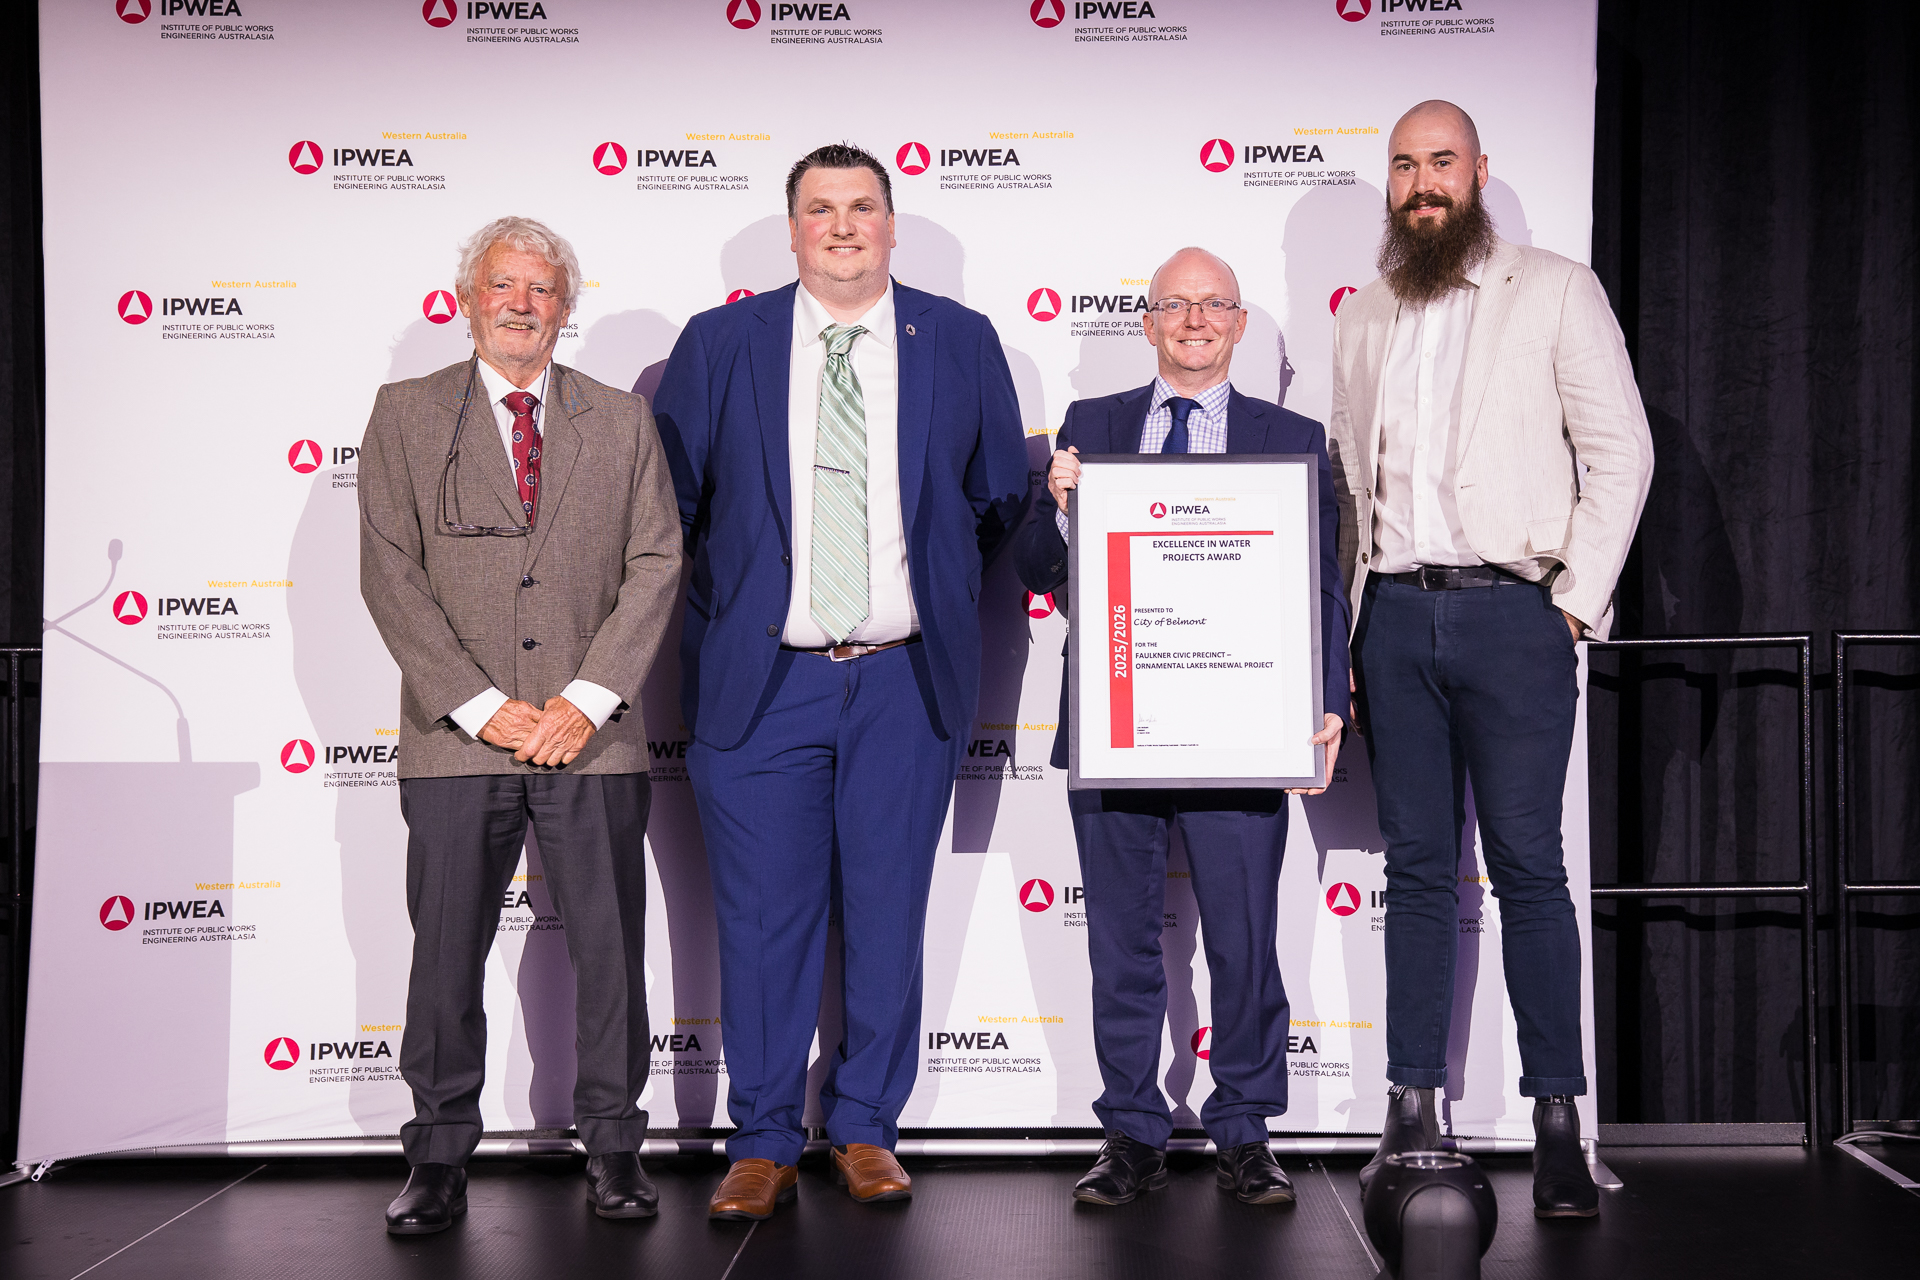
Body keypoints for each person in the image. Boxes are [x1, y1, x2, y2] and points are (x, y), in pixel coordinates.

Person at [652, 144, 1028, 1221]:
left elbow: (998, 500)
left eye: (864, 205)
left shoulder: (957, 339)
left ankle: (866, 1124)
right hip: (763, 681)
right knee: (764, 919)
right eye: (822, 209)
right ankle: (762, 1137)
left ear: (893, 223)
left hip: (905, 683)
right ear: (793, 229)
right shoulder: (722, 341)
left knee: (886, 907)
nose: (844, 225)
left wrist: (923, 592)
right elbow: (668, 508)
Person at [1328, 101, 1654, 1218]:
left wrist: (1569, 608)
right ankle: (1412, 1109)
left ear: (1478, 173)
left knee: (1527, 867)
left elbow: (1622, 451)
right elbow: (1346, 485)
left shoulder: (1556, 287)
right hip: (1397, 620)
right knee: (1417, 870)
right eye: (1405, 164)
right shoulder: (1366, 312)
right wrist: (1348, 630)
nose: (1423, 183)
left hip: (1517, 613)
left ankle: (1559, 1116)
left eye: (1442, 163)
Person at [358, 216, 682, 1234]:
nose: (522, 302)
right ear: (470, 296)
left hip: (594, 735)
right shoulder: (405, 414)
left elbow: (656, 561)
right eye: (504, 283)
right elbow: (390, 572)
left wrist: (584, 699)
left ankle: (616, 1146)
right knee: (445, 951)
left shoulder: (622, 421)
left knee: (609, 949)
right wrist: (485, 704)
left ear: (565, 306)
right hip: (457, 738)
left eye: (542, 287)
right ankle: (440, 1155)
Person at [1012, 247, 1350, 1207]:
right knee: (1119, 945)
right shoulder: (1091, 426)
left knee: (1246, 943)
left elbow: (1322, 581)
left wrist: (1325, 701)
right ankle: (1130, 1131)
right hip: (1121, 721)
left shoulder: (1294, 435)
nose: (1196, 320)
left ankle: (1245, 1129)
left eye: (1215, 306)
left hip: (1244, 725)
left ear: (1240, 326)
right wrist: (1061, 503)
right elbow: (1038, 569)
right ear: (1148, 323)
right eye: (1176, 305)